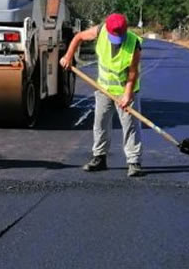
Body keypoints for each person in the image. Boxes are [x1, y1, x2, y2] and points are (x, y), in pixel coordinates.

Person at [59, 13, 144, 177]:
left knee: (131, 126)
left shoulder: (134, 43)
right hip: (104, 89)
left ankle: (134, 162)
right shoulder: (100, 31)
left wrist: (127, 95)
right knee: (100, 124)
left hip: (126, 90)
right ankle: (99, 158)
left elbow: (133, 73)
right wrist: (68, 56)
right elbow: (78, 37)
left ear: (126, 31)